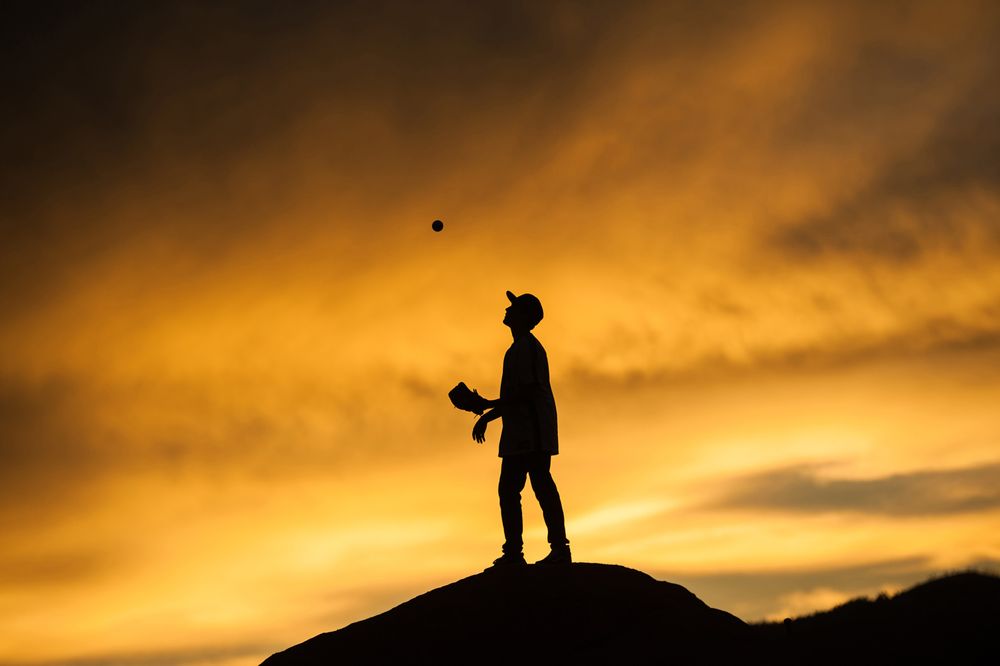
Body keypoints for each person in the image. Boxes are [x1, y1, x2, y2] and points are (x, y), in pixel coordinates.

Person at [472, 290, 571, 568]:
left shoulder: (526, 348)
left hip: (532, 430)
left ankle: (554, 549)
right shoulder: (518, 349)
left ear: (525, 317)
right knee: (514, 489)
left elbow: (525, 393)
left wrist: (487, 408)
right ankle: (519, 552)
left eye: (513, 307)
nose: (507, 309)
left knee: (536, 485)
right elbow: (518, 395)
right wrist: (487, 412)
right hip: (521, 431)